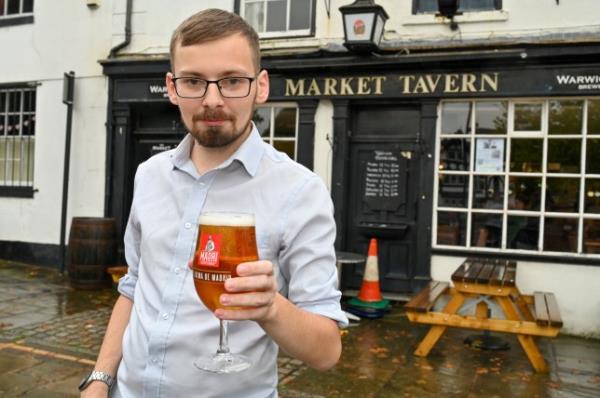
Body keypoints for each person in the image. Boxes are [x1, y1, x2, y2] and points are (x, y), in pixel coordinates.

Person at [80, 8, 347, 398]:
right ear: (172, 88)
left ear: (261, 86)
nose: (212, 99)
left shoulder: (299, 191)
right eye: (193, 81)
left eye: (232, 80)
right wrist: (101, 378)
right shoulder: (150, 175)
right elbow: (135, 287)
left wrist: (271, 308)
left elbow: (327, 352)